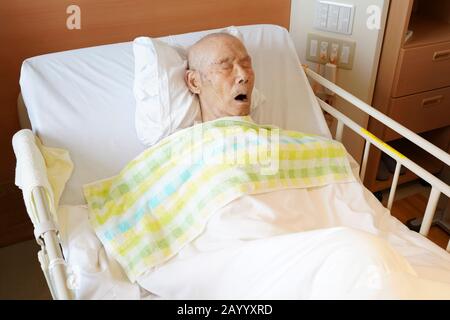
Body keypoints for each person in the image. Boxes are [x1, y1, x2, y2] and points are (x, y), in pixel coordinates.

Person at [185, 33, 255, 122]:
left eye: (246, 65)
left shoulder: (274, 134)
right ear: (194, 82)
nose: (244, 76)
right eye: (225, 67)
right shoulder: (188, 136)